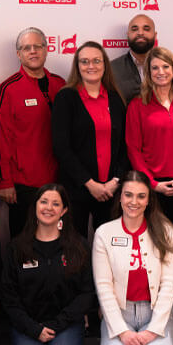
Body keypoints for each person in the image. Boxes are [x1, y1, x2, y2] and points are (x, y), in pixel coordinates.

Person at [2, 184, 96, 345]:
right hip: (29, 322)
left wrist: (57, 324)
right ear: (35, 207)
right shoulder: (17, 248)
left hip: (65, 322)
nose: (48, 208)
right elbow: (9, 296)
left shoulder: (78, 247)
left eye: (56, 204)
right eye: (43, 202)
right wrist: (32, 328)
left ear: (64, 211)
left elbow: (86, 293)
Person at [91, 172, 173, 345]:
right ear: (120, 197)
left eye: (141, 196)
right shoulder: (104, 233)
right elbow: (103, 287)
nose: (134, 202)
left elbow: (169, 285)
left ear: (149, 200)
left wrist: (153, 331)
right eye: (128, 195)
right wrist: (122, 332)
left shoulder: (165, 230)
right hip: (121, 313)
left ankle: (167, 329)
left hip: (155, 311)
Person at [0, 27, 66, 238]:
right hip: (23, 185)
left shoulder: (60, 85)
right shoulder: (7, 89)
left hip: (57, 182)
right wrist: (5, 181)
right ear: (19, 54)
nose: (33, 51)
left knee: (55, 242)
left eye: (37, 46)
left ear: (46, 49)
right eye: (26, 48)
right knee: (24, 243)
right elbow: (0, 138)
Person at [52, 41, 129, 237]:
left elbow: (123, 146)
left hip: (110, 190)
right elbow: (61, 147)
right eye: (84, 61)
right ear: (77, 66)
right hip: (76, 189)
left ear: (104, 65)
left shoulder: (115, 98)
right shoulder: (66, 97)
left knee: (108, 246)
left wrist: (115, 181)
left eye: (96, 61)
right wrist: (89, 183)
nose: (91, 66)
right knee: (74, 246)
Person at [125, 46, 173, 233]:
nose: (160, 72)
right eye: (155, 68)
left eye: (165, 66)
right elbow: (133, 149)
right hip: (152, 188)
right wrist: (152, 184)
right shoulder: (137, 105)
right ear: (148, 72)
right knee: (154, 243)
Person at [109, 13, 156, 104]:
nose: (140, 33)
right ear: (128, 35)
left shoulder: (170, 67)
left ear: (155, 35)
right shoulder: (111, 69)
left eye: (146, 29)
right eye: (134, 29)